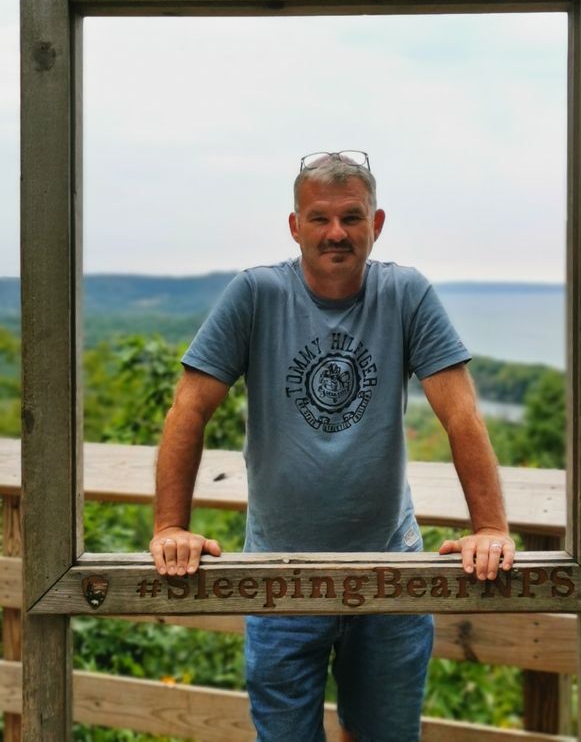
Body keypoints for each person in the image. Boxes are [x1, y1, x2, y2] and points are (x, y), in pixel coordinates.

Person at [150, 151, 515, 742]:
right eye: (320, 219)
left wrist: (491, 528)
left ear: (378, 223)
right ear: (295, 226)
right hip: (280, 572)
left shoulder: (405, 293)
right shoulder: (256, 294)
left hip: (389, 567)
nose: (337, 232)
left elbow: (462, 414)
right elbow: (188, 410)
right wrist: (171, 527)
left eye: (353, 216)